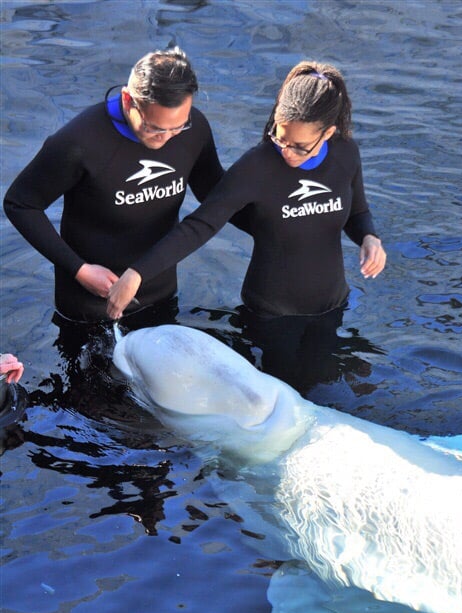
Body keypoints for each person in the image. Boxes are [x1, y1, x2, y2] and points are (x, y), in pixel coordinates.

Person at [106, 60, 387, 376]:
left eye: (300, 147)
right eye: (280, 138)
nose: (287, 152)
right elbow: (201, 225)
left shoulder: (346, 153)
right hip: (271, 317)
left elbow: (357, 211)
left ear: (329, 132)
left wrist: (369, 237)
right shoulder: (256, 168)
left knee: (326, 384)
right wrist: (138, 273)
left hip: (333, 306)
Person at [3, 47, 228, 328]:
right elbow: (20, 204)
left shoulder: (195, 131)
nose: (167, 138)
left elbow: (217, 202)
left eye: (177, 127)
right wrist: (79, 270)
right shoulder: (78, 142)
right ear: (128, 100)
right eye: (155, 128)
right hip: (90, 300)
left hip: (160, 293)